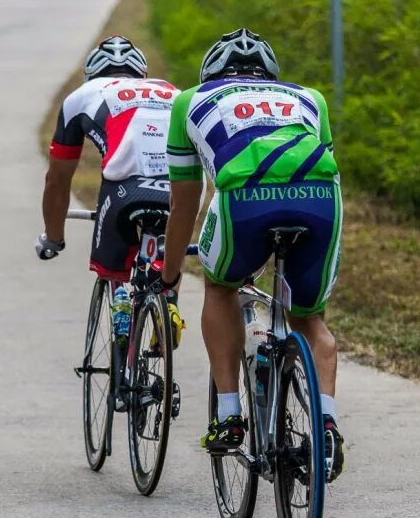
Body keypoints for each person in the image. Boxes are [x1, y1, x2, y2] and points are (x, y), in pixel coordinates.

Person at [159, 28, 345, 481]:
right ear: (271, 74)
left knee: (220, 286)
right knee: (310, 319)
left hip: (244, 198)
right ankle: (326, 427)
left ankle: (229, 415)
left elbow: (183, 204)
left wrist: (168, 278)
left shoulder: (189, 99)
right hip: (321, 199)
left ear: (211, 72)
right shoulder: (311, 98)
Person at [35, 35, 185, 347]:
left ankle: (120, 298)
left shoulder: (81, 96)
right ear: (142, 74)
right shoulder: (174, 92)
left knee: (114, 264)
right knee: (169, 253)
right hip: (178, 190)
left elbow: (58, 180)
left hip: (124, 192)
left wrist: (54, 238)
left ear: (91, 75)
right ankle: (168, 305)